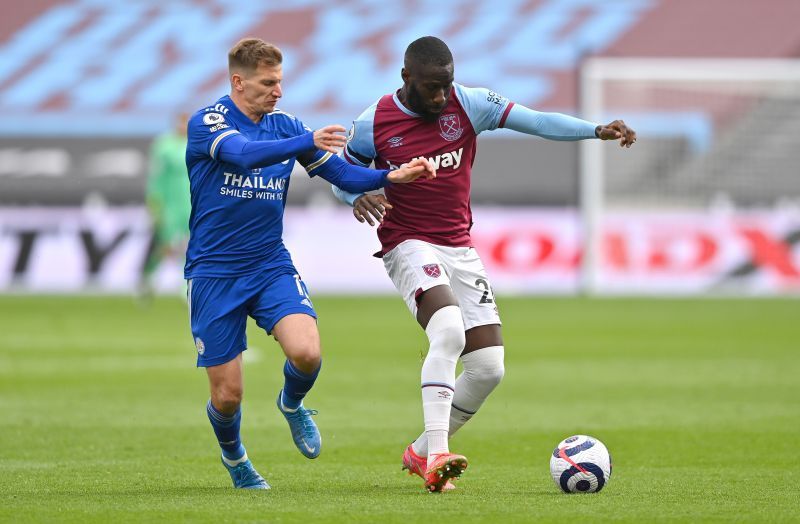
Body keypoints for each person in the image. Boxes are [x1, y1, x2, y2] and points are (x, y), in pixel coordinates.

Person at [333, 36, 636, 493]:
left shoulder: (469, 103)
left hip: (459, 245)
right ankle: (438, 457)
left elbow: (535, 121)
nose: (440, 97)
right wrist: (357, 194)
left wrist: (594, 130)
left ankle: (419, 451)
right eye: (432, 88)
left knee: (489, 368)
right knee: (449, 331)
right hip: (407, 241)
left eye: (446, 87)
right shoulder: (373, 121)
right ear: (406, 78)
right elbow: (340, 177)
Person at [185, 37, 435, 490]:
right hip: (214, 273)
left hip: (268, 264)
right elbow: (241, 154)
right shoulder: (208, 121)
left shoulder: (285, 125)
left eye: (280, 82)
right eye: (267, 83)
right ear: (238, 81)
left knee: (308, 352)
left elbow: (337, 172)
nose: (277, 91)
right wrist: (304, 140)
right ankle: (236, 458)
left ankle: (292, 404)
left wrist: (387, 176)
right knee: (227, 397)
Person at [140, 112, 191, 299]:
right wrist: (154, 203)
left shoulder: (196, 144)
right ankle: (147, 279)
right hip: (170, 205)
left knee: (191, 246)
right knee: (164, 245)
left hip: (191, 204)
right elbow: (156, 178)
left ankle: (186, 288)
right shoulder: (164, 146)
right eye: (182, 122)